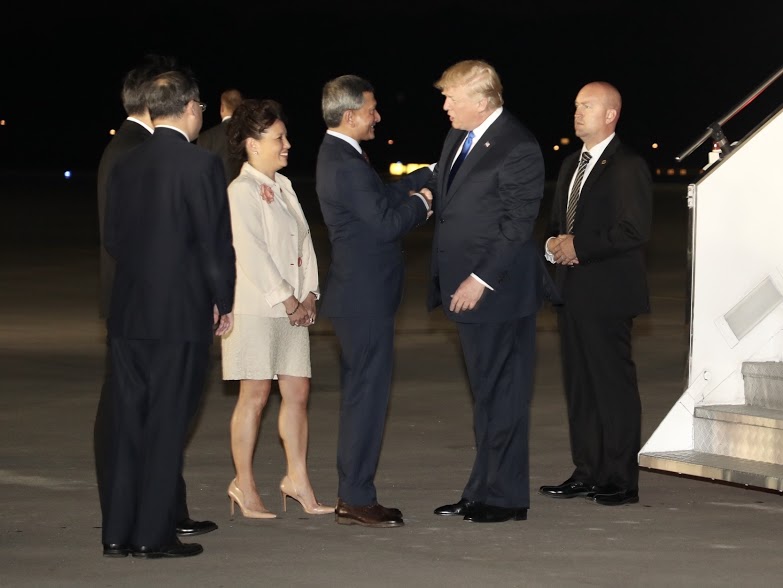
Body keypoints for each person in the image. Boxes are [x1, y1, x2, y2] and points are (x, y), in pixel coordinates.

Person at [101, 66, 236, 558]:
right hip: (179, 316)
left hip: (129, 315)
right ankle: (153, 536)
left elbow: (113, 239)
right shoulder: (200, 166)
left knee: (130, 423)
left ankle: (117, 533)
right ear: (189, 107)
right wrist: (224, 300)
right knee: (167, 423)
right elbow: (213, 244)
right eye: (200, 108)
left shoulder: (125, 163)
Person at [425, 59, 547, 524]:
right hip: (465, 290)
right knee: (486, 397)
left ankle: (506, 498)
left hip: (498, 292)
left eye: (451, 98)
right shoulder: (461, 135)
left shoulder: (517, 146)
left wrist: (480, 279)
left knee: (504, 396)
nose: (445, 106)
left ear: (482, 101)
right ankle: (480, 490)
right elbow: (445, 187)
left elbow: (517, 224)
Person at [315, 74, 432, 528]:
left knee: (362, 396)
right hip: (363, 300)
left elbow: (380, 196)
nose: (377, 116)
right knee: (366, 398)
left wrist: (427, 176)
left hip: (360, 298)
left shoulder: (344, 155)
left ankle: (355, 492)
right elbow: (384, 223)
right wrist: (422, 204)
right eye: (371, 109)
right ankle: (356, 496)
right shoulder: (343, 162)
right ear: (349, 115)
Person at [538, 81, 652, 507]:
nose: (577, 112)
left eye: (587, 106)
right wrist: (551, 245)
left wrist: (579, 247)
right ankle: (587, 471)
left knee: (612, 387)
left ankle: (621, 479)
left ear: (610, 114)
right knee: (581, 387)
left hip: (608, 295)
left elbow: (633, 229)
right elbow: (556, 223)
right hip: (570, 293)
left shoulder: (628, 166)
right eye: (575, 105)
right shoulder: (571, 164)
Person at [220, 98, 333, 519]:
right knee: (255, 394)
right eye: (278, 138)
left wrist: (310, 295)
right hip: (255, 307)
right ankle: (243, 485)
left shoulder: (284, 186)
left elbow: (304, 244)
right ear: (252, 144)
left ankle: (297, 479)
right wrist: (286, 297)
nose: (287, 144)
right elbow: (250, 250)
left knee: (298, 392)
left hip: (292, 308)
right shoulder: (241, 191)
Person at [197, 88, 244, 185]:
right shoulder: (252, 134)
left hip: (218, 196)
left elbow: (201, 175)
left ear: (222, 108)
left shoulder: (207, 137)